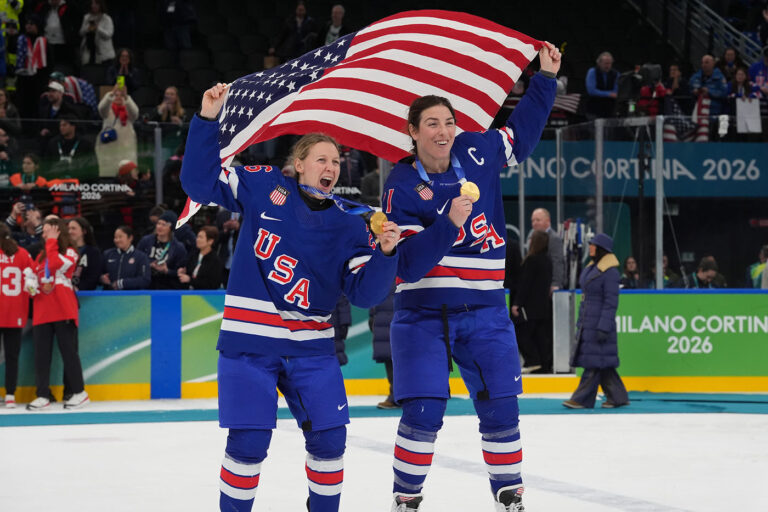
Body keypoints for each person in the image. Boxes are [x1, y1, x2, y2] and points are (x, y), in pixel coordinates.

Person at [181, 82, 401, 512]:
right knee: (248, 443)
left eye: (336, 161)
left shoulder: (352, 223)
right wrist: (207, 120)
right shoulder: (263, 185)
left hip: (312, 349)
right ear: (298, 165)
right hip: (250, 345)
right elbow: (198, 182)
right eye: (321, 159)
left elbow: (365, 293)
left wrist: (386, 255)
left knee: (330, 441)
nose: (331, 167)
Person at [381, 43, 560, 512]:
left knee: (501, 405)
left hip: (485, 309)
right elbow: (409, 265)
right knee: (423, 410)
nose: (443, 131)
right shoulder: (400, 184)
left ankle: (509, 493)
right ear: (413, 132)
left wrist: (544, 79)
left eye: (448, 122)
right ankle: (406, 497)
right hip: (422, 314)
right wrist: (449, 224)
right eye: (431, 124)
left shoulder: (477, 150)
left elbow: (522, 135)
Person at [26, 217, 90, 410]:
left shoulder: (70, 252)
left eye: (48, 231)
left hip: (63, 309)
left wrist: (52, 243)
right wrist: (32, 286)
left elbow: (54, 265)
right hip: (42, 311)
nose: (44, 234)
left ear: (58, 232)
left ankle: (79, 392)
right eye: (44, 232)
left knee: (69, 353)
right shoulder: (41, 256)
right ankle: (43, 395)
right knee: (41, 356)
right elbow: (33, 277)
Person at [563, 233, 629, 410]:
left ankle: (582, 399)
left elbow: (610, 302)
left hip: (598, 324)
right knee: (602, 363)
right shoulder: (594, 268)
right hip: (589, 323)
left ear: (601, 249)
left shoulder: (610, 273)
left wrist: (604, 326)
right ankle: (618, 397)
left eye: (593, 245)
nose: (590, 247)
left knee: (593, 363)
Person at [0, 223, 35, 408]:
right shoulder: (23, 254)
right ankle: (10, 395)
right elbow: (32, 284)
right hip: (16, 313)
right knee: (12, 356)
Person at [512, 230, 553, 374]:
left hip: (529, 307)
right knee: (541, 336)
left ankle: (533, 360)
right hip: (543, 306)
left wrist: (517, 303)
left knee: (521, 333)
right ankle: (543, 364)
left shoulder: (531, 260)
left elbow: (525, 284)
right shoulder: (547, 261)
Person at [136, 209, 187, 289]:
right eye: (159, 223)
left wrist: (167, 270)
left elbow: (181, 271)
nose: (159, 227)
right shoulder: (146, 241)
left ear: (170, 227)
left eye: (164, 224)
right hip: (147, 285)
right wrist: (149, 264)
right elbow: (136, 260)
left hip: (168, 286)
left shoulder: (178, 247)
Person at [95, 84, 138, 177]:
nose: (118, 97)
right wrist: (111, 93)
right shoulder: (107, 110)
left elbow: (135, 113)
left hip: (126, 149)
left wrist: (126, 97)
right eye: (116, 95)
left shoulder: (128, 108)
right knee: (110, 177)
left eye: (121, 95)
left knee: (127, 176)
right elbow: (101, 108)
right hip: (109, 150)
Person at [370, 283, 398, 409]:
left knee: (396, 361)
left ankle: (397, 396)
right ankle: (396, 396)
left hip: (394, 320)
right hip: (385, 321)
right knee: (390, 360)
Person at [100, 225, 151, 290]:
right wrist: (101, 278)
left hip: (132, 295)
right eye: (115, 237)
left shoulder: (141, 256)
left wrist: (122, 283)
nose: (117, 240)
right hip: (109, 294)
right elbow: (98, 274)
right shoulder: (107, 254)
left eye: (120, 237)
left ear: (130, 238)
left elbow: (145, 280)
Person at [178, 225, 223, 290]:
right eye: (197, 237)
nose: (197, 239)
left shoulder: (215, 261)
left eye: (201, 237)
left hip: (204, 295)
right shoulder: (194, 255)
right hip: (188, 292)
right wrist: (183, 271)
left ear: (210, 241)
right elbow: (189, 272)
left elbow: (213, 284)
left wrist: (190, 280)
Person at [530, 207, 564, 291]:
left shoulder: (554, 239)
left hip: (548, 287)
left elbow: (557, 262)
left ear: (548, 221)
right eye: (533, 221)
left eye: (538, 220)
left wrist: (555, 284)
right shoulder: (532, 238)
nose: (534, 223)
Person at [67, 216, 101, 290]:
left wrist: (78, 288)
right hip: (65, 292)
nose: (70, 232)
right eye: (69, 229)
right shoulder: (64, 251)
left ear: (84, 231)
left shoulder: (93, 252)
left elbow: (94, 277)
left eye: (73, 228)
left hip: (84, 294)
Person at [78, 0, 115, 65]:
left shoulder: (106, 18)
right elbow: (81, 33)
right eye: (92, 3)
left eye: (96, 4)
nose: (93, 5)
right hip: (89, 52)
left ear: (100, 5)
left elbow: (108, 35)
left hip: (103, 54)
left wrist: (97, 28)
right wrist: (88, 28)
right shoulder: (86, 17)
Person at [585, 51, 619, 119]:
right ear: (599, 63)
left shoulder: (616, 74)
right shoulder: (592, 72)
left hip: (610, 109)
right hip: (594, 108)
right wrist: (609, 94)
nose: (607, 66)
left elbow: (616, 92)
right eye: (605, 63)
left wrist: (611, 94)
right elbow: (592, 91)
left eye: (609, 63)